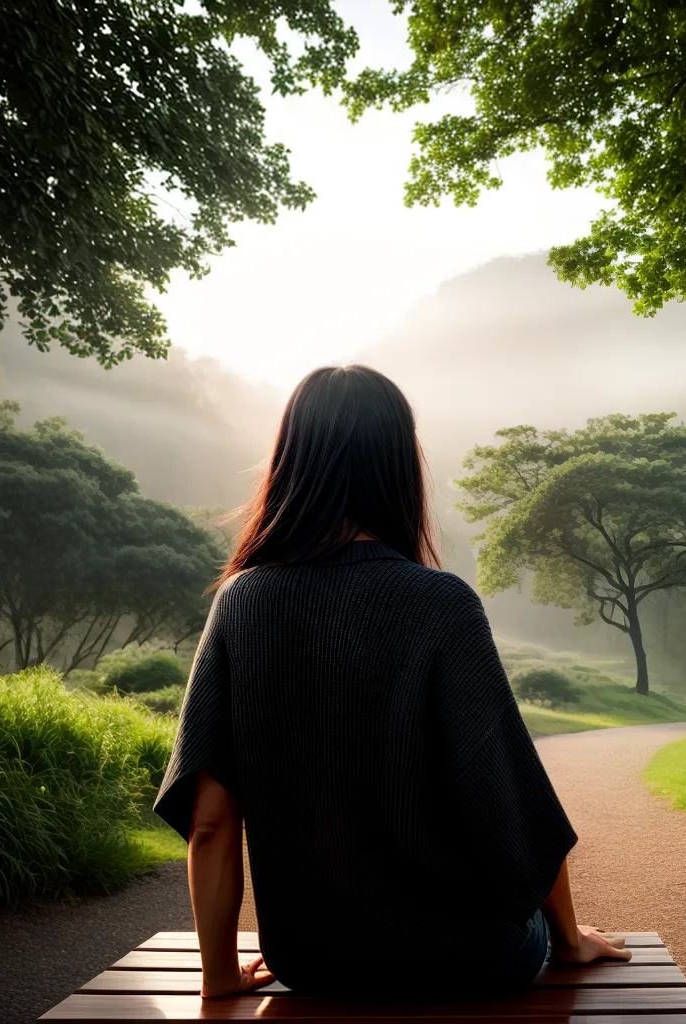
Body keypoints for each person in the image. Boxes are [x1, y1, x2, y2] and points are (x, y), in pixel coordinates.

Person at [154, 364, 631, 1000]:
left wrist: (218, 978)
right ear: (400, 463)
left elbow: (211, 824)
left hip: (314, 963)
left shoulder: (245, 602)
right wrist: (568, 941)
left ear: (290, 459)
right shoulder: (442, 603)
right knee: (526, 938)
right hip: (470, 959)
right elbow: (510, 804)